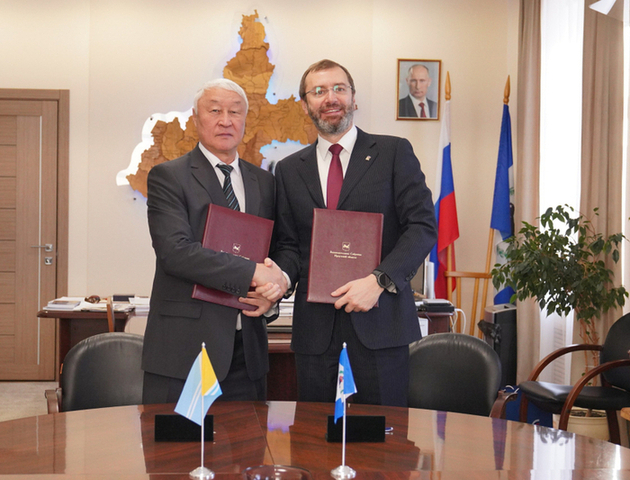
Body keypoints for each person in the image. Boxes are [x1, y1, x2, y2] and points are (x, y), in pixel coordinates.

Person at [268, 60, 437, 407]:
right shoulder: (287, 170)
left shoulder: (393, 153)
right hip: (315, 333)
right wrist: (280, 279)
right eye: (319, 91)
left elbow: (422, 226)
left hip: (381, 325)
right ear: (305, 105)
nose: (330, 98)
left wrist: (379, 281)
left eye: (339, 89)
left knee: (382, 436)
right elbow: (288, 244)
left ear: (353, 98)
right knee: (315, 436)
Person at [142, 78, 287, 404]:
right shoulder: (169, 177)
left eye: (235, 112)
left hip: (247, 351)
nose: (226, 120)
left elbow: (277, 250)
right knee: (181, 440)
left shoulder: (264, 182)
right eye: (215, 111)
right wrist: (252, 272)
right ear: (196, 118)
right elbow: (175, 252)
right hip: (186, 349)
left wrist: (274, 289)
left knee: (249, 438)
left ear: (245, 121)